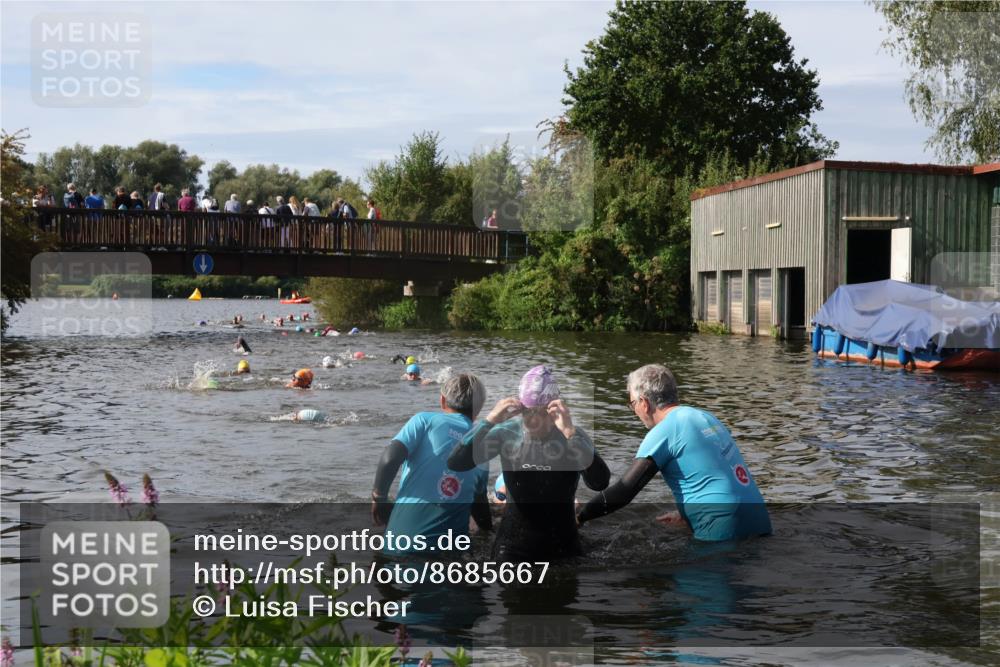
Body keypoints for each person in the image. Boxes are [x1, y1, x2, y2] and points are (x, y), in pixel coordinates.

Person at [576, 364, 771, 542]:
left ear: (644, 403)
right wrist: (685, 513)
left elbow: (624, 490)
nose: (634, 411)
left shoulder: (665, 430)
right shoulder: (705, 417)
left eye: (632, 404)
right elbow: (717, 474)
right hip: (758, 520)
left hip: (724, 527)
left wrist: (581, 515)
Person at [447, 365, 610, 561]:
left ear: (555, 409)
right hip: (512, 547)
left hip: (564, 547)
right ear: (520, 408)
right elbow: (457, 463)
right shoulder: (506, 434)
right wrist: (488, 421)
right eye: (527, 412)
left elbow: (599, 482)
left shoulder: (572, 436)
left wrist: (570, 434)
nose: (533, 421)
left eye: (542, 413)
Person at [371, 374, 491, 553]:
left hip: (402, 544)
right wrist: (488, 531)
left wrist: (379, 500)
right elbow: (479, 505)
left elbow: (389, 458)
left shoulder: (424, 421)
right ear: (478, 409)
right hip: (450, 554)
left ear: (442, 400)